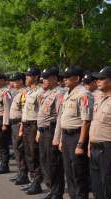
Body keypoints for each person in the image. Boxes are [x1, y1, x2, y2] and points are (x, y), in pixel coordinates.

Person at [54, 66, 94, 199]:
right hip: (66, 136)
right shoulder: (67, 93)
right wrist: (60, 139)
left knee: (79, 173)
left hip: (76, 136)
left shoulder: (84, 93)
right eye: (64, 77)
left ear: (77, 78)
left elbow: (86, 121)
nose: (64, 79)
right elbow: (62, 117)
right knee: (69, 172)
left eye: (67, 77)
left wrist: (81, 144)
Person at [37, 68, 66, 199]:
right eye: (43, 78)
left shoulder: (59, 93)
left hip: (52, 131)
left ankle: (57, 192)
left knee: (54, 162)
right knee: (45, 161)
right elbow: (41, 114)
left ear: (54, 78)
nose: (44, 80)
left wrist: (57, 137)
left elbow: (60, 115)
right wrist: (38, 130)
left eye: (47, 78)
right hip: (43, 131)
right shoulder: (47, 93)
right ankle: (51, 189)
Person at [20, 67, 44, 195]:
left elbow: (41, 113)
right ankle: (32, 180)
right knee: (28, 153)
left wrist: (39, 130)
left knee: (35, 154)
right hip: (26, 125)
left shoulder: (40, 92)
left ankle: (37, 182)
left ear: (36, 77)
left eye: (29, 76)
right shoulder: (29, 92)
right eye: (26, 75)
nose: (26, 78)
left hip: (34, 125)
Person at [89, 66, 111, 199]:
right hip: (95, 148)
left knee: (107, 185)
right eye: (97, 78)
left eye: (102, 78)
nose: (98, 81)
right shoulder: (99, 99)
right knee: (97, 186)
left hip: (107, 149)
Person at [8, 72, 30, 185]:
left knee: (20, 149)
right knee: (17, 149)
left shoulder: (24, 93)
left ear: (21, 81)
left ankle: (24, 174)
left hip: (19, 124)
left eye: (15, 80)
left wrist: (21, 126)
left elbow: (24, 111)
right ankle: (20, 172)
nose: (12, 82)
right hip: (14, 124)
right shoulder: (17, 92)